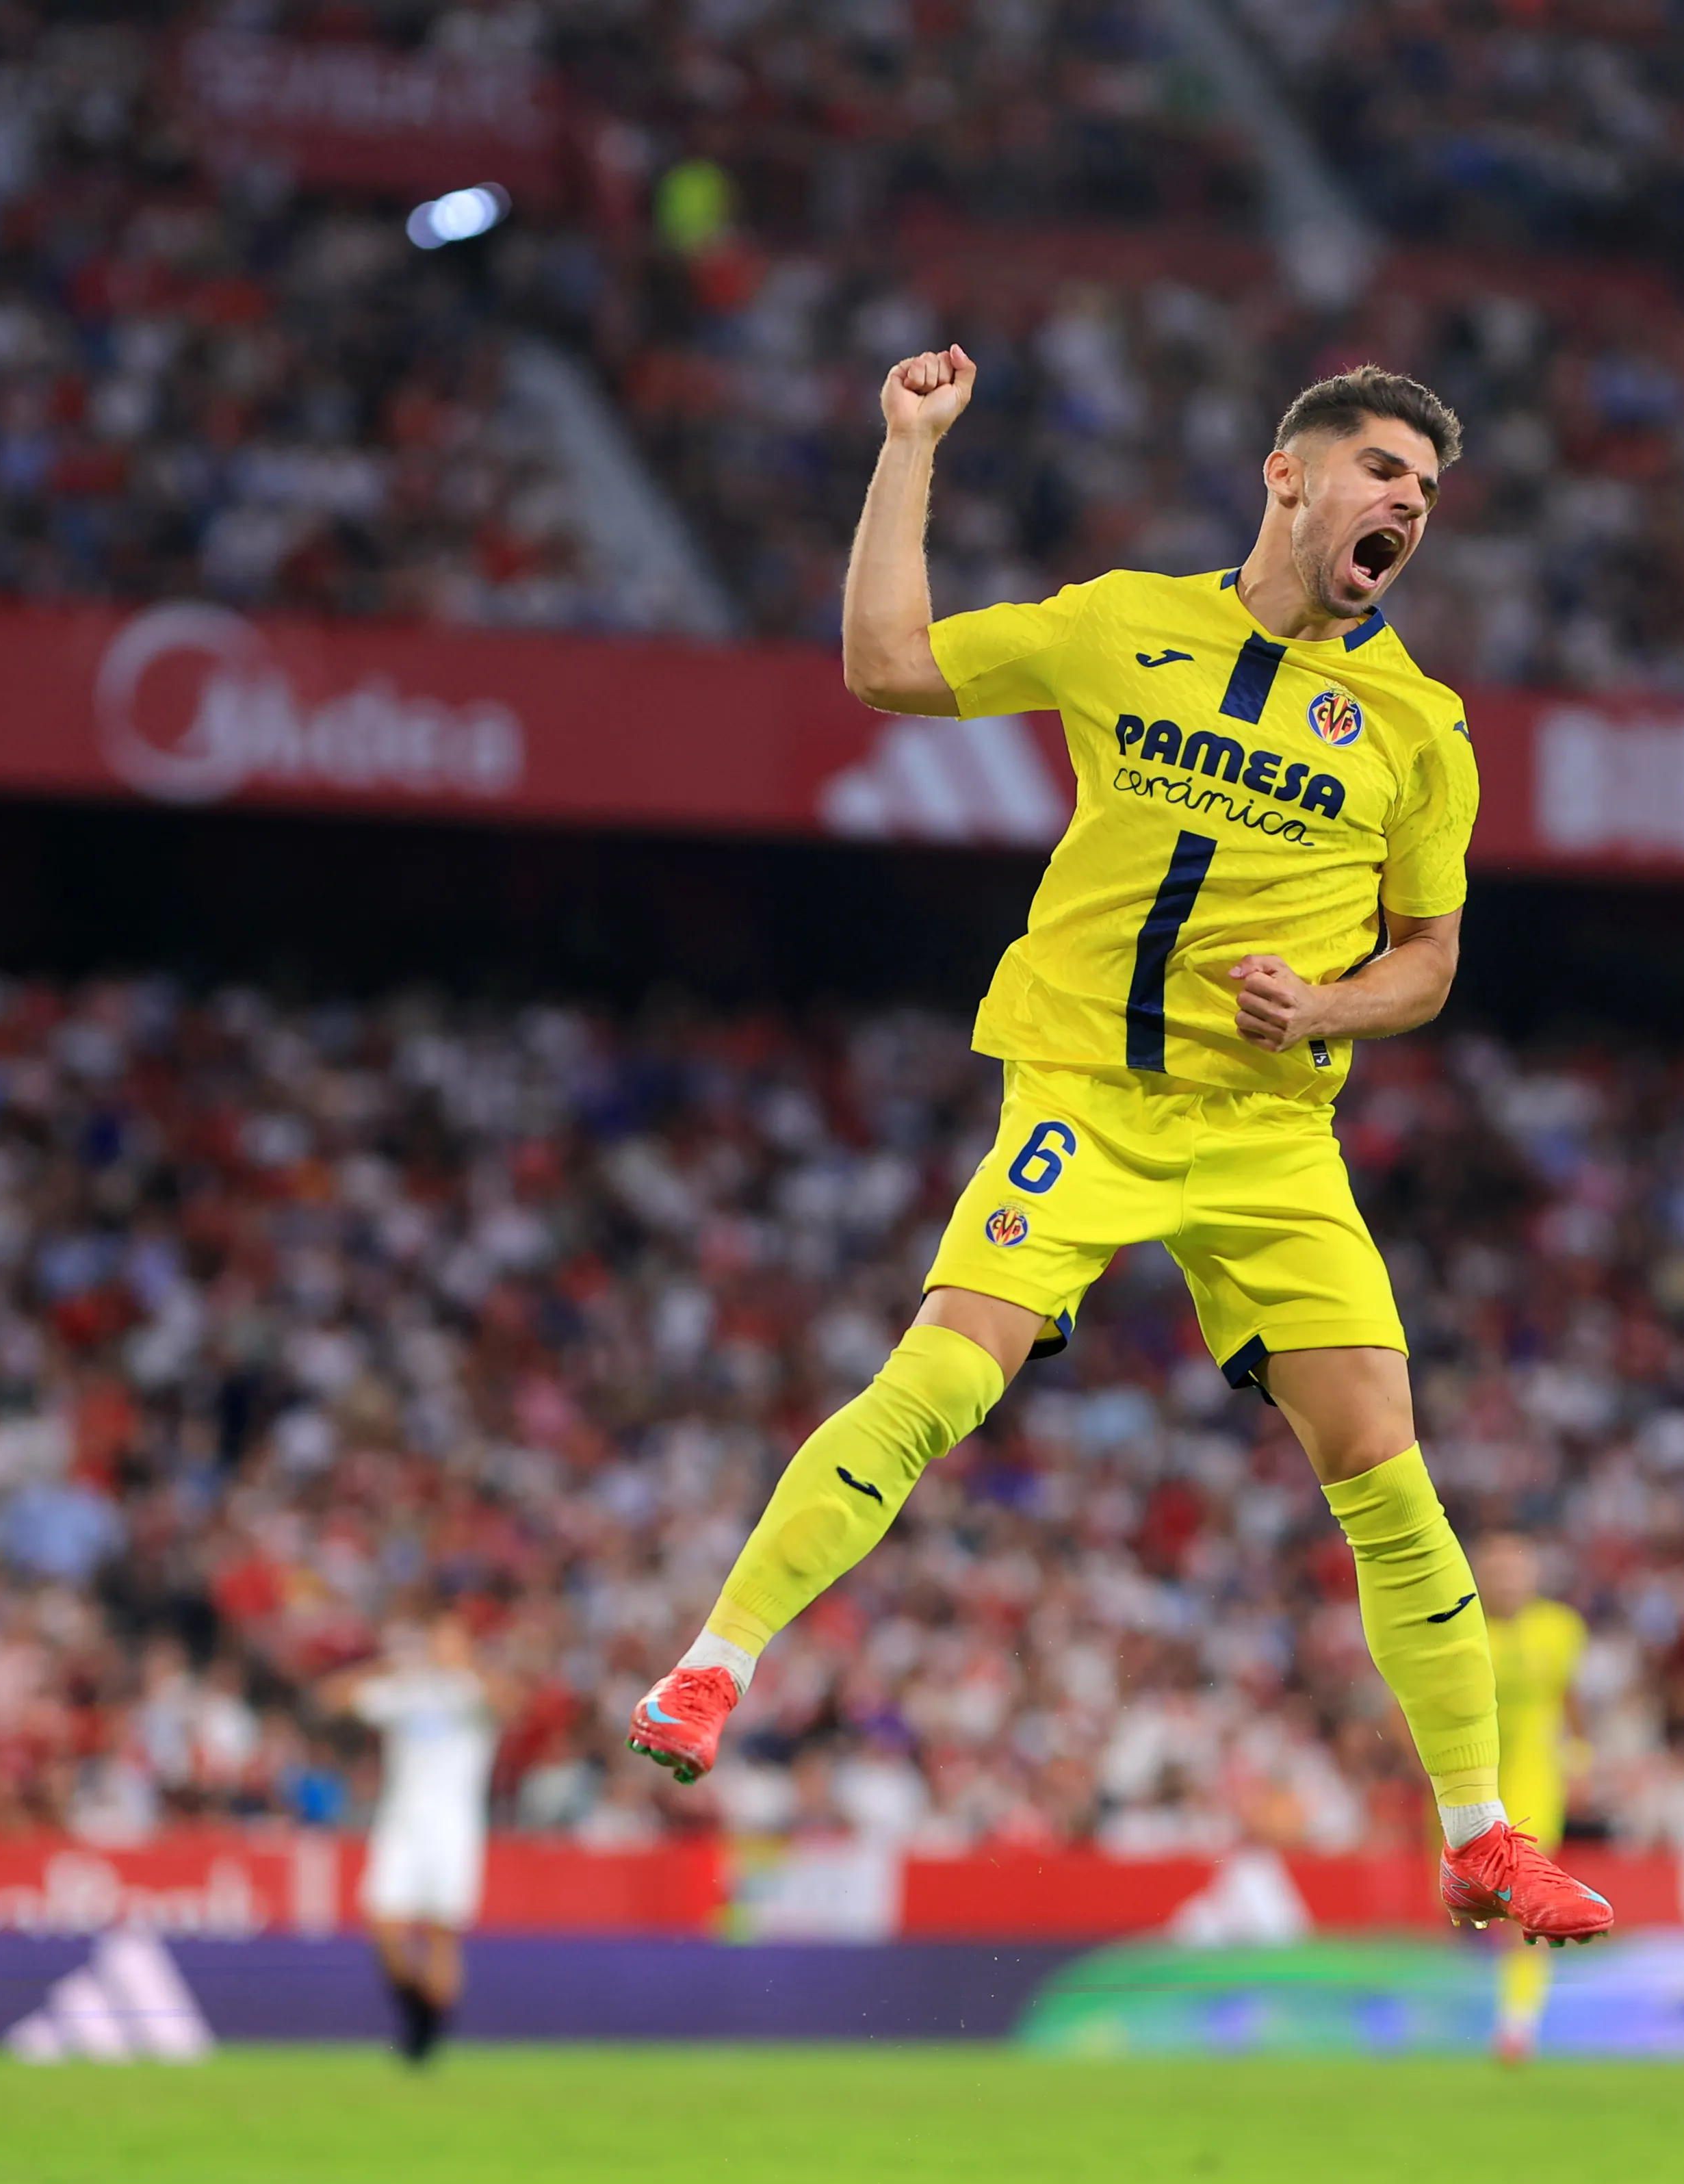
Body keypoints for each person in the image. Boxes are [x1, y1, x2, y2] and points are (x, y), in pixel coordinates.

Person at [627, 346, 1611, 1948]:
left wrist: (1333, 1001)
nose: (1405, 509)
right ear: (1288, 475)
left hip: (1270, 1127)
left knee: (1380, 1455)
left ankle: (1481, 1835)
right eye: (1380, 474)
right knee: (946, 1372)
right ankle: (712, 1664)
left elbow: (1429, 957)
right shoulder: (1117, 624)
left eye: (1425, 496)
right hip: (1086, 1093)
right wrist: (908, 448)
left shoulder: (1420, 730)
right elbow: (885, 662)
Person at [319, 1615, 515, 2064]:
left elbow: (509, 1703)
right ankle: (418, 2011)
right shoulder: (408, 1691)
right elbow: (331, 1697)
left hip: (454, 1826)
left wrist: (472, 1669)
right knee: (383, 1922)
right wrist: (386, 1666)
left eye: (452, 1643)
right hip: (402, 1823)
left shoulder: (473, 1694)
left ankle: (431, 2037)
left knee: (442, 1932)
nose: (442, 1651)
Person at [1476, 1532, 1590, 2061]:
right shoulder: (1459, 1626)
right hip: (1469, 1783)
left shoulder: (1561, 1628)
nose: (1507, 1581)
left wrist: (1582, 1755)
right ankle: (1503, 2010)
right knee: (1478, 1905)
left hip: (1535, 1783)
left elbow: (1569, 1695)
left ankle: (1517, 2023)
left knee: (1524, 1898)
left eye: (1516, 1570)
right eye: (1497, 1571)